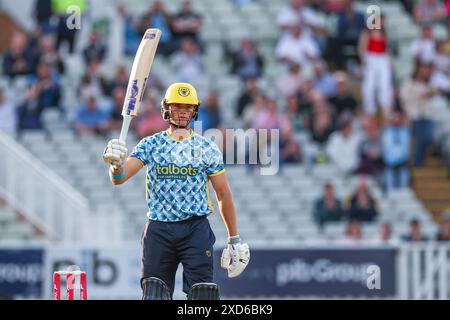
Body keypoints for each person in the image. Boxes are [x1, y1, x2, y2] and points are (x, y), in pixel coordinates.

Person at [102, 83, 250, 300]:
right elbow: (120, 178)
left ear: (194, 111)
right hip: (159, 229)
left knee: (203, 296)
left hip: (195, 229)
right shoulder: (151, 144)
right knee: (154, 294)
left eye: (187, 107)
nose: (182, 111)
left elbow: (223, 194)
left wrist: (234, 238)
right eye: (177, 106)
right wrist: (115, 166)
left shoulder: (207, 148)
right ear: (166, 109)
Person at [358, 15, 393, 117]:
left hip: (382, 58)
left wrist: (388, 62)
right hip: (371, 57)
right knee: (369, 84)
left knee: (385, 84)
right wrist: (364, 61)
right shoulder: (367, 33)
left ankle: (385, 107)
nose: (382, 23)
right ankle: (369, 108)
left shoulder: (384, 33)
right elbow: (362, 48)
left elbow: (386, 50)